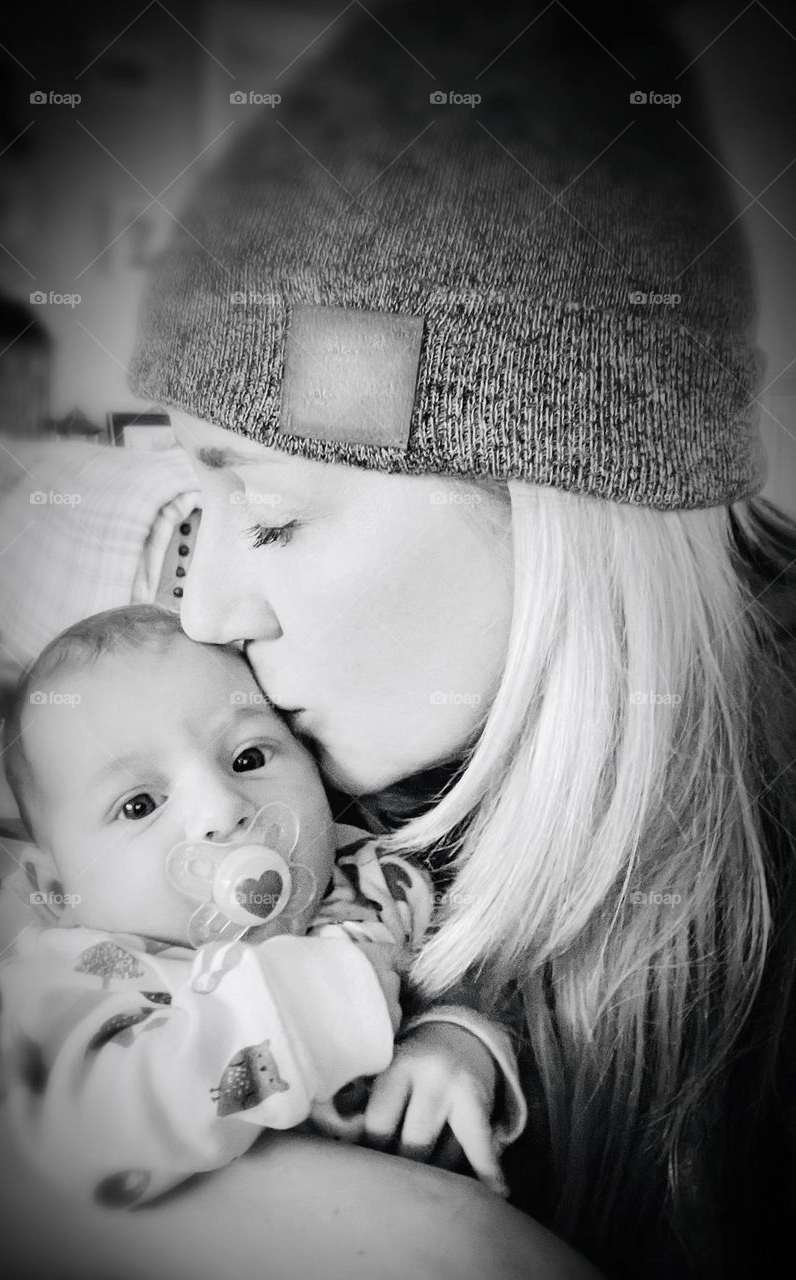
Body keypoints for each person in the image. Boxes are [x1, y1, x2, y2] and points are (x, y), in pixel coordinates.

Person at [120, 2, 796, 1278]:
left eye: (264, 517)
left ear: (552, 511)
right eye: (194, 511)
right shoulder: (303, 766)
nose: (207, 614)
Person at [0, 603, 525, 1206]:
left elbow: (485, 986)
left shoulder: (377, 882)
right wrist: (319, 1009)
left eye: (248, 759)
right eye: (140, 804)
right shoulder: (81, 982)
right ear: (60, 889)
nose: (222, 810)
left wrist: (456, 1044)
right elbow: (87, 1135)